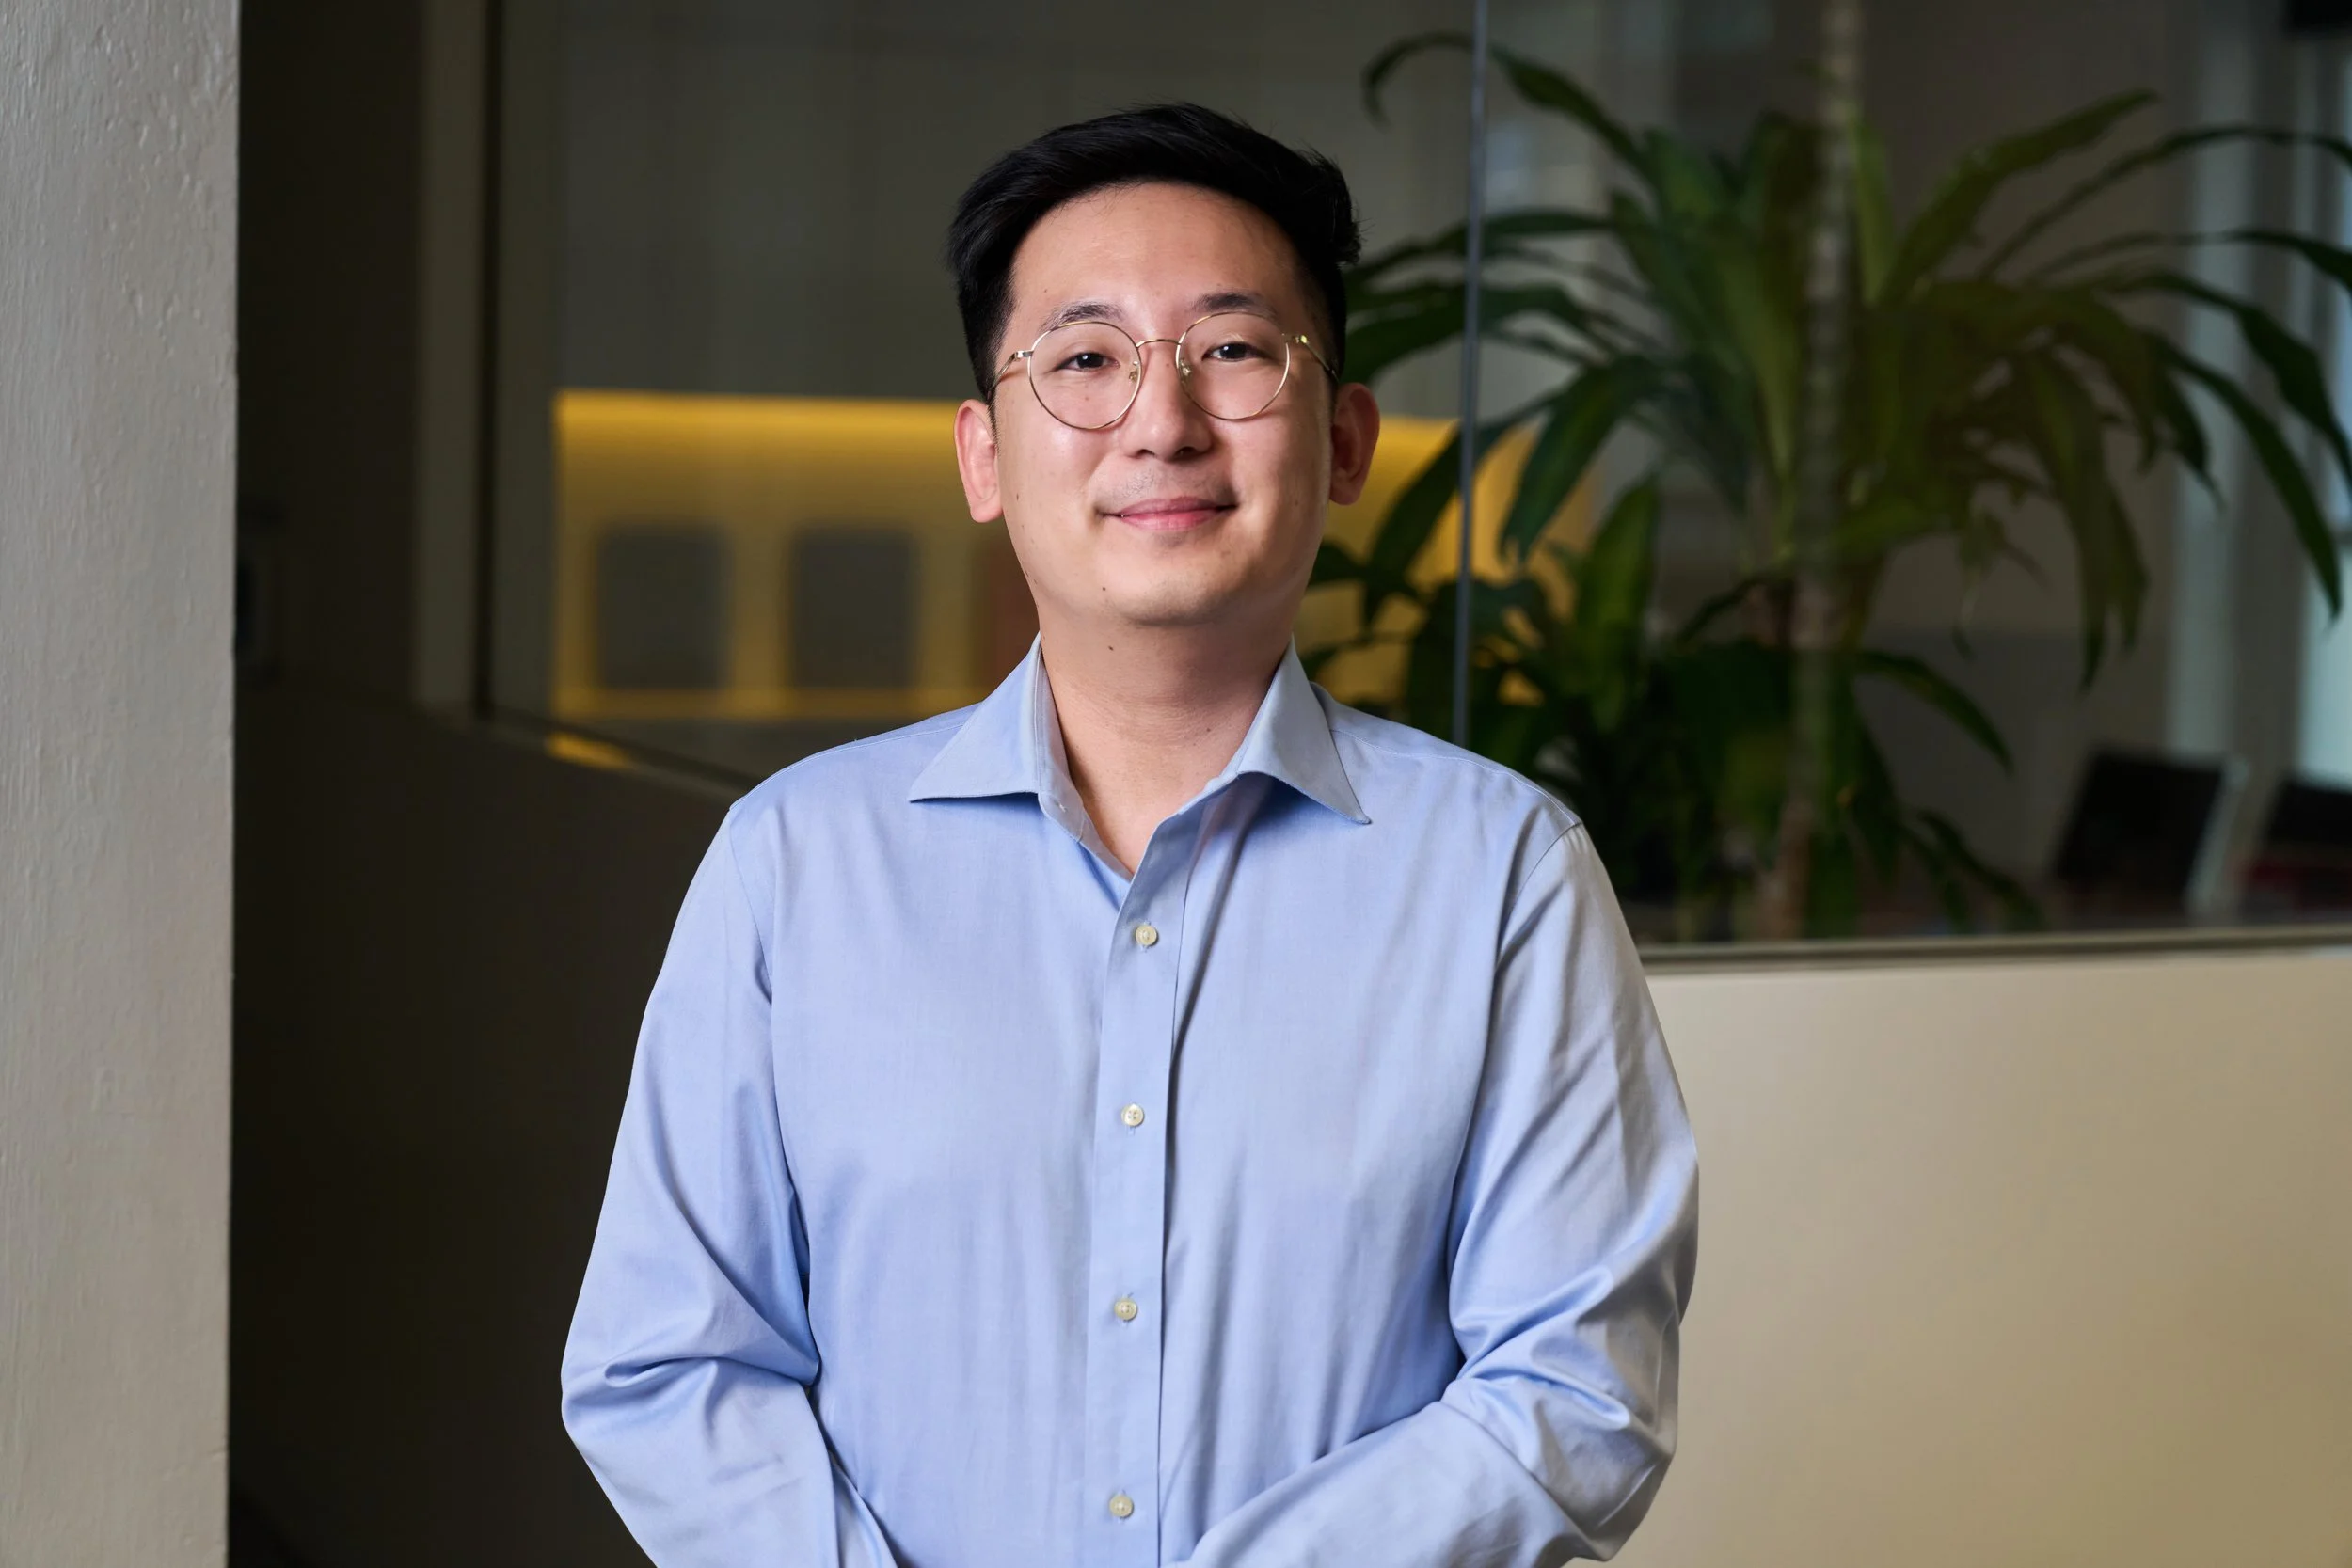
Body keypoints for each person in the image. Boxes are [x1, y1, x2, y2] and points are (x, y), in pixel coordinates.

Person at [561, 103, 1698, 1568]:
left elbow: (1580, 1388)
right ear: (982, 457)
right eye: (1085, 359)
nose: (1162, 420)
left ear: (1345, 438)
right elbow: (668, 1363)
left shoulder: (1504, 877)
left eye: (1232, 350)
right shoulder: (795, 865)